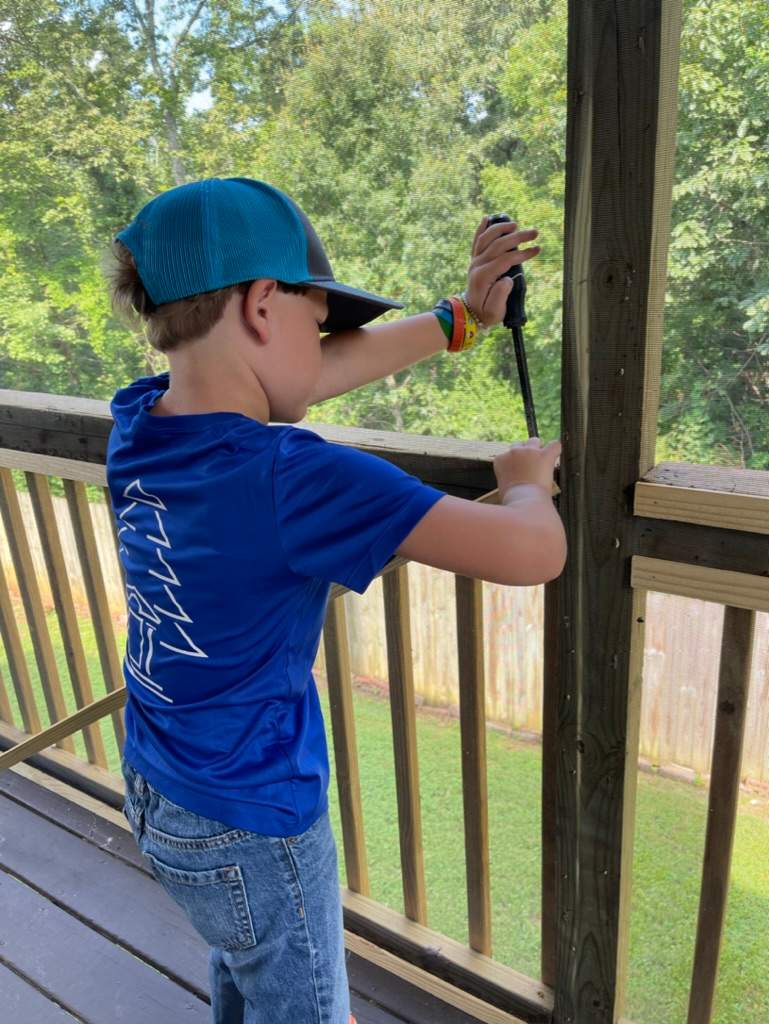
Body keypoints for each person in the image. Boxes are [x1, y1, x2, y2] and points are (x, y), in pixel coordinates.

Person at [104, 177, 566, 1024]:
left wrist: (460, 319)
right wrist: (527, 483)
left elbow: (298, 378)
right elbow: (532, 553)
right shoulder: (294, 476)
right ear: (261, 305)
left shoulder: (139, 425)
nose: (325, 349)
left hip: (159, 790)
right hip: (253, 819)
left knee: (244, 963)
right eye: (318, 323)